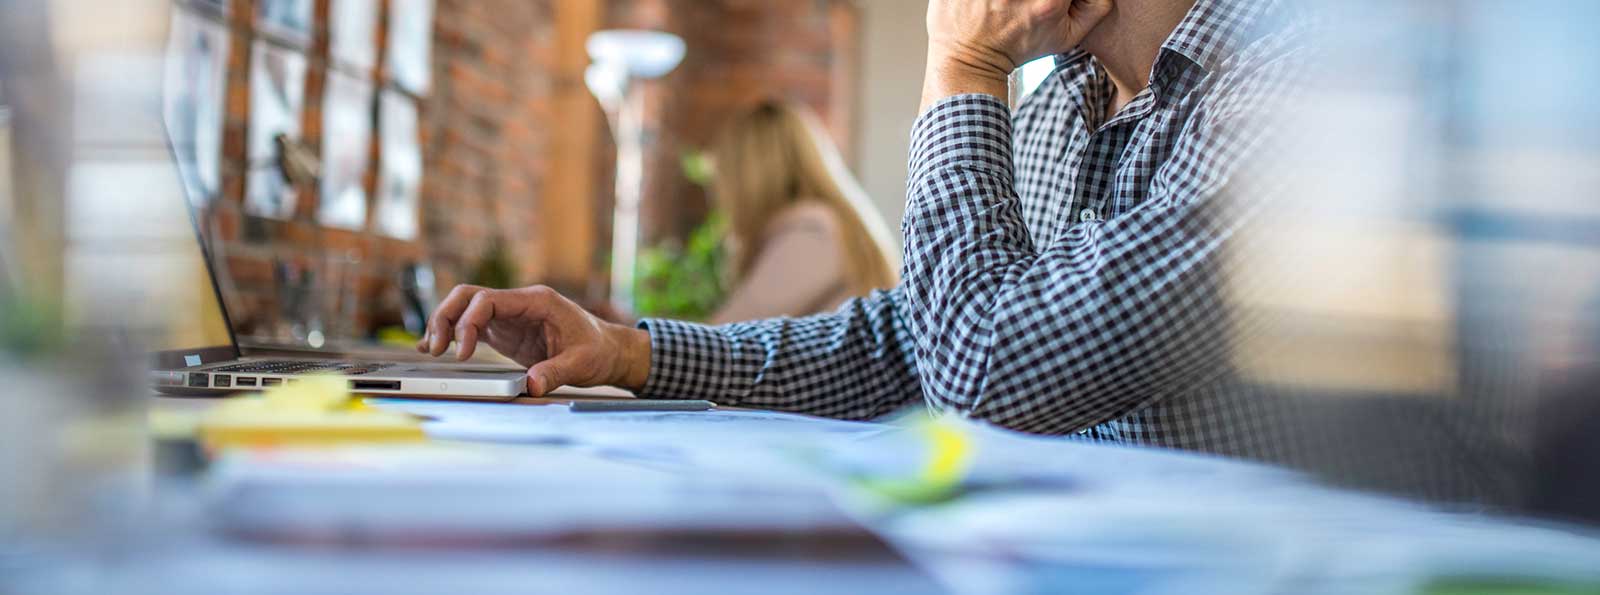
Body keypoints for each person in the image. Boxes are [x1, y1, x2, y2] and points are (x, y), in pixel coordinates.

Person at [419, 0, 1310, 452]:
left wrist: (963, 65)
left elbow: (986, 370)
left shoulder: (1285, 98)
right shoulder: (1060, 109)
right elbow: (911, 346)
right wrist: (628, 352)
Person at [622, 101, 899, 325]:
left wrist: (626, 339)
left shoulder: (812, 232)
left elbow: (727, 339)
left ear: (747, 175)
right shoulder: (830, 224)